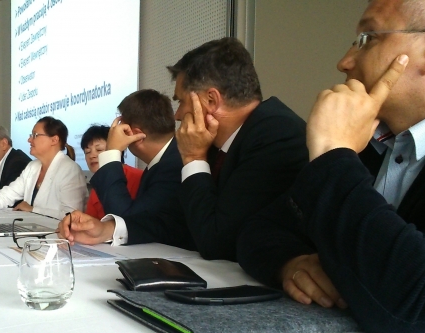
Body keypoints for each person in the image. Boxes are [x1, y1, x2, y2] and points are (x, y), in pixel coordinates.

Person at [236, 0, 425, 333]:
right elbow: (260, 229)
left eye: (368, 38)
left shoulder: (346, 147)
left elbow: (419, 300)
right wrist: (292, 263)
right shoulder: (374, 141)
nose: (344, 61)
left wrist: (333, 152)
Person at [59, 37, 308, 261]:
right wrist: (107, 230)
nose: (177, 115)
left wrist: (194, 157)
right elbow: (177, 222)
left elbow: (215, 241)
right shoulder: (219, 143)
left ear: (211, 100)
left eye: (180, 101)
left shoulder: (276, 134)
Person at [90, 89, 182, 217]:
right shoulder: (165, 161)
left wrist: (111, 152)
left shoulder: (173, 169)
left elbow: (128, 220)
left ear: (137, 135)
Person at [0, 116, 88, 219]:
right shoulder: (32, 166)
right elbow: (5, 196)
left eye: (35, 135)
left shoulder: (70, 170)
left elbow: (71, 216)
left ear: (54, 140)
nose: (29, 140)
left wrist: (33, 210)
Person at [81, 125, 143, 219]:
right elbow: (90, 220)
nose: (92, 156)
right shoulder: (97, 186)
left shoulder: (139, 178)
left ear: (117, 151)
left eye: (99, 150)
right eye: (87, 152)